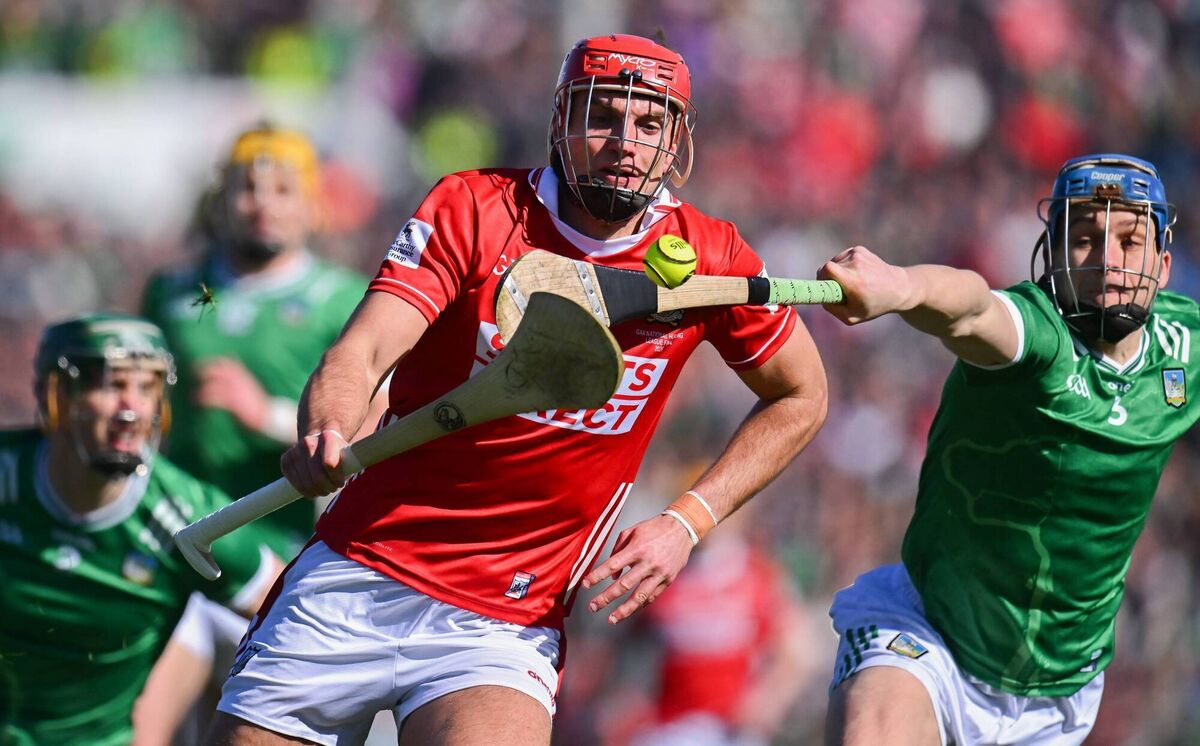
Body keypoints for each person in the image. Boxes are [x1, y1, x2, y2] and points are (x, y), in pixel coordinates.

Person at [204, 33, 829, 746]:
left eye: (649, 124)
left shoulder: (710, 258)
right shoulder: (473, 205)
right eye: (604, 116)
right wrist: (329, 425)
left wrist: (688, 521)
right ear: (561, 120)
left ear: (677, 140)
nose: (625, 142)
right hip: (362, 567)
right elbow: (365, 347)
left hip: (505, 619)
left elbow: (800, 396)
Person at [819, 154, 1198, 745]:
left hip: (1062, 692)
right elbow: (972, 306)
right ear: (1051, 255)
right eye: (1083, 239)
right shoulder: (1040, 335)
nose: (1107, 258)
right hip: (929, 637)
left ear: (1164, 263)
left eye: (1130, 239)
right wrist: (903, 286)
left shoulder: (1188, 348)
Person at [138, 124, 382, 744]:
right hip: (185, 539)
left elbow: (374, 425)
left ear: (312, 203)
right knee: (142, 724)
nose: (263, 203)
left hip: (288, 552)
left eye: (282, 188)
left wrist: (267, 415)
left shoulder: (343, 298)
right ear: (222, 199)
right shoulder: (177, 292)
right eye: (248, 187)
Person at [0, 313, 282, 746]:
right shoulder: (8, 480)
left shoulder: (190, 518)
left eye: (147, 388)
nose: (131, 409)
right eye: (111, 386)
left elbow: (295, 614)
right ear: (56, 396)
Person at [628, 504, 820, 746]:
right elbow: (630, 649)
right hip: (669, 726)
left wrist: (767, 700)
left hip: (728, 731)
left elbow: (799, 654)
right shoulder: (668, 573)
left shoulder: (759, 575)